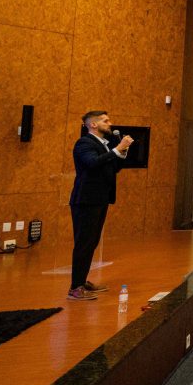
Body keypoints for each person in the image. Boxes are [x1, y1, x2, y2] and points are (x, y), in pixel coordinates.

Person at [67, 110, 134, 301]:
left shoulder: (103, 145)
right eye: (105, 120)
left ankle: (82, 281)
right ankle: (75, 288)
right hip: (86, 200)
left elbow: (113, 168)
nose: (109, 123)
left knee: (91, 242)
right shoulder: (85, 143)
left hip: (99, 199)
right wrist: (117, 149)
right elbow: (92, 163)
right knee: (84, 243)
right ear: (93, 124)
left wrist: (122, 151)